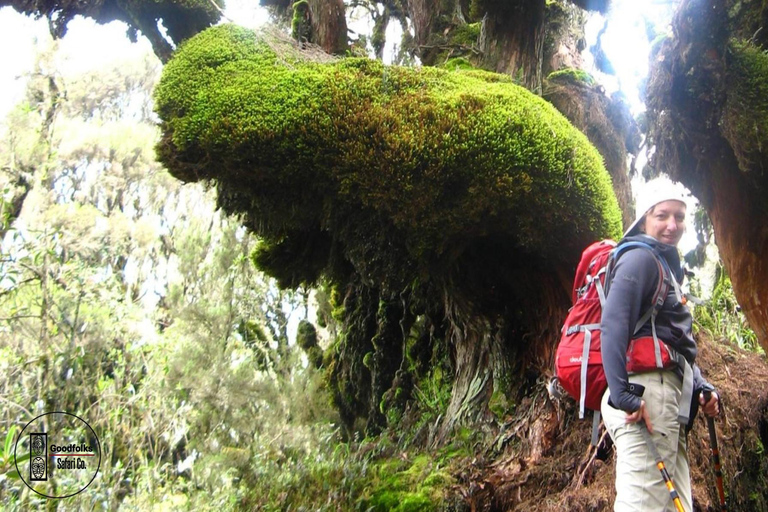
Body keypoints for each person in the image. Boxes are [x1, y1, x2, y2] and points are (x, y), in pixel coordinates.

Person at [600, 180, 720, 511]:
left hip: (666, 398)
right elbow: (613, 324)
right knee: (645, 503)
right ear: (643, 219)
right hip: (648, 396)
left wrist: (700, 385)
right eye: (662, 215)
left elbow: (670, 343)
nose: (672, 225)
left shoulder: (662, 266)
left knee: (672, 505)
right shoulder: (639, 258)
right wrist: (623, 395)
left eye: (679, 217)